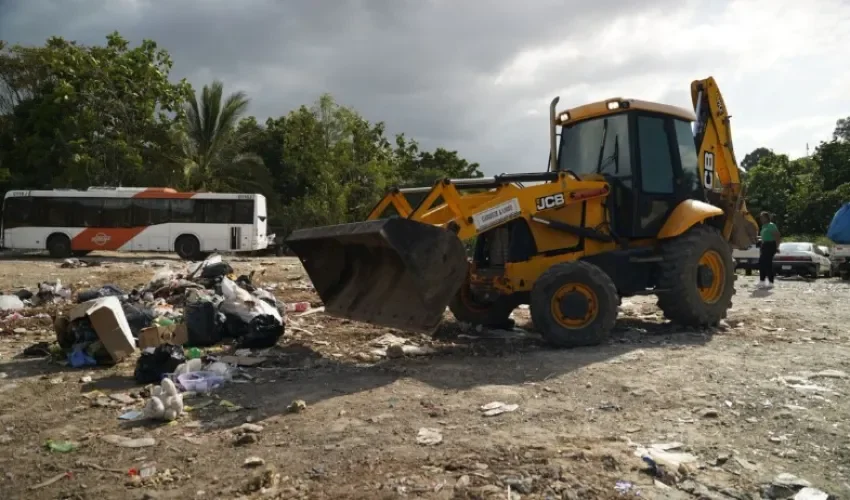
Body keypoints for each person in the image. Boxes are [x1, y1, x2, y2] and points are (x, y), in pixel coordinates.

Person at [758, 211, 781, 289]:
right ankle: (762, 281)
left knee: (767, 263)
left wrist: (777, 247)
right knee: (761, 262)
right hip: (764, 245)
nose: (761, 219)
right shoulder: (764, 226)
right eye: (760, 217)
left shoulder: (771, 225)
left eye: (762, 217)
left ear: (767, 217)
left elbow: (777, 236)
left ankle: (771, 282)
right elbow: (764, 237)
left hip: (770, 245)